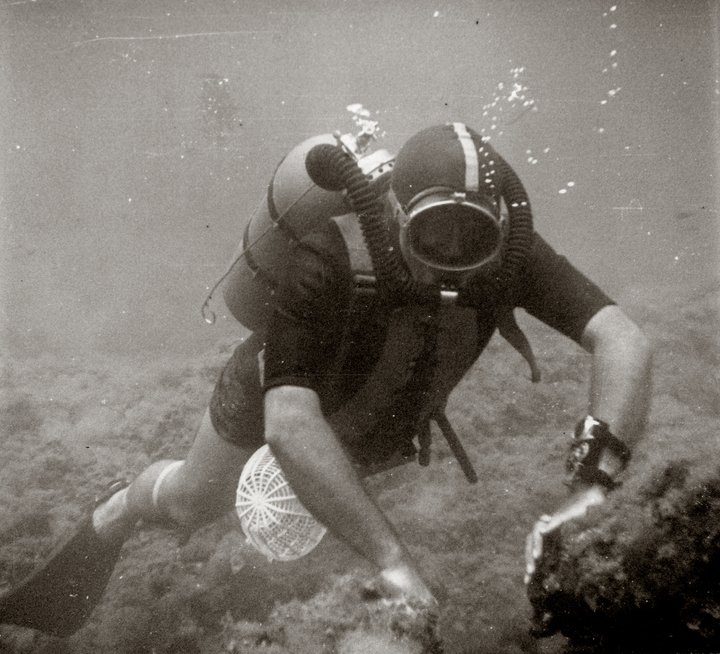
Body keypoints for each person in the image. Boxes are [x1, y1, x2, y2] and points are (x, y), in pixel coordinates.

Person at [0, 122, 652, 638]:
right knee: (192, 504)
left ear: (499, 230)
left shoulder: (511, 258)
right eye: (433, 235)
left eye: (471, 238)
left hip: (369, 419)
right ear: (395, 213)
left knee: (336, 480)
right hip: (272, 399)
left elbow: (621, 339)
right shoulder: (329, 254)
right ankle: (121, 507)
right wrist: (394, 562)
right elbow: (287, 422)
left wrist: (593, 486)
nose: (453, 265)